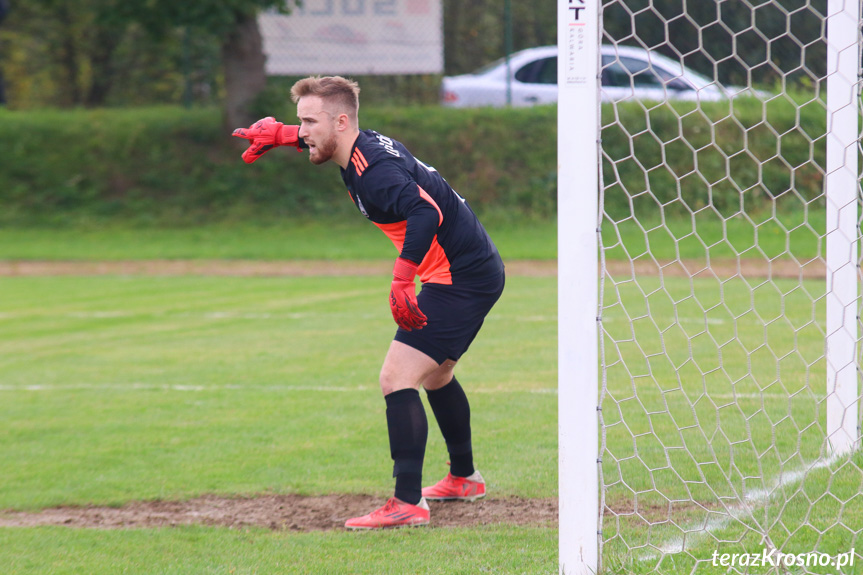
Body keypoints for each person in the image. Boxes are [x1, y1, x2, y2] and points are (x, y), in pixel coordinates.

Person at [232, 76, 505, 529]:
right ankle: (463, 478)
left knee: (397, 378)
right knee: (436, 375)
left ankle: (407, 502)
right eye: (300, 122)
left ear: (341, 121)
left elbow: (425, 212)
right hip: (466, 268)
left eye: (309, 122)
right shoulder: (357, 144)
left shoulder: (374, 172)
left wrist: (402, 279)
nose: (303, 130)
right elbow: (320, 139)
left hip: (461, 277)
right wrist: (283, 134)